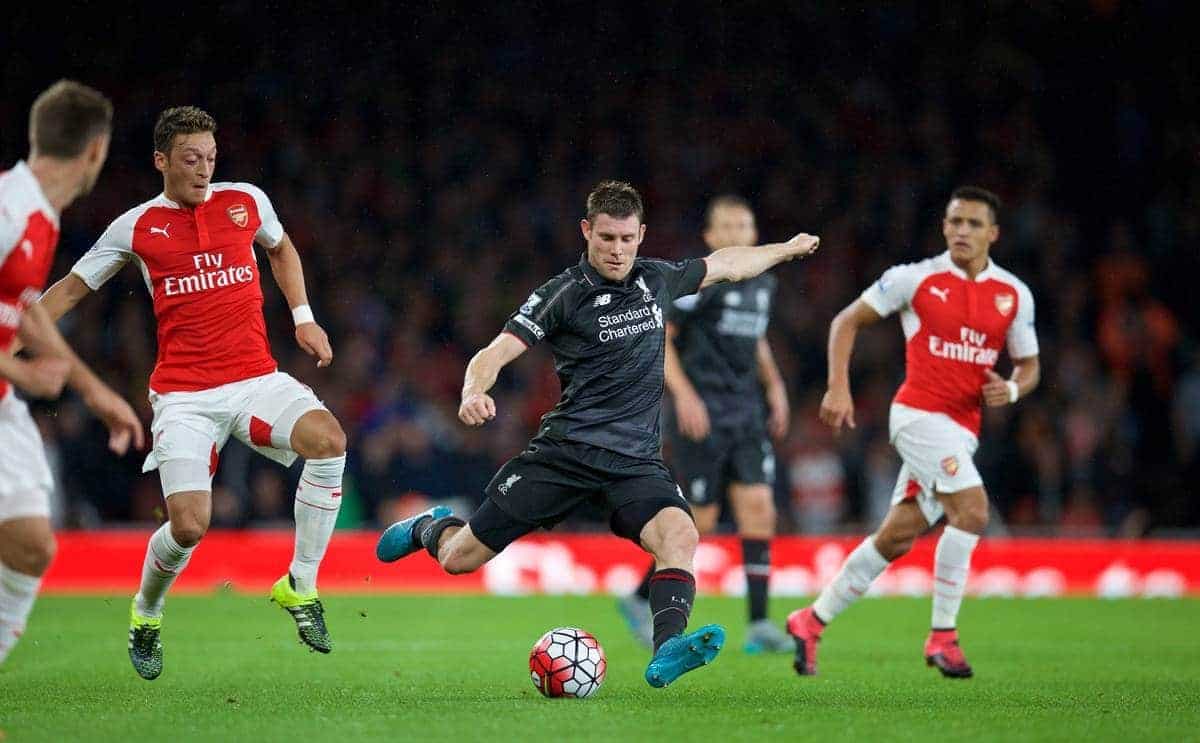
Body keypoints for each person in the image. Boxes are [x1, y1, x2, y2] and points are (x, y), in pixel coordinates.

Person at [376, 180, 819, 688]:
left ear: (641, 235)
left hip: (634, 463)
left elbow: (728, 264)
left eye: (627, 239)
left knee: (680, 534)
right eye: (607, 238)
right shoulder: (562, 293)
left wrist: (785, 249)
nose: (617, 250)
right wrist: (472, 392)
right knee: (459, 560)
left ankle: (668, 646)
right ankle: (428, 528)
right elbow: (493, 353)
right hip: (565, 455)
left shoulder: (659, 278)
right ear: (587, 231)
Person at [36, 106, 347, 680]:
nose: (204, 170)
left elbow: (280, 249)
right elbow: (73, 288)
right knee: (189, 526)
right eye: (189, 159)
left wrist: (303, 317)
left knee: (328, 440)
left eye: (210, 157)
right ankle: (147, 612)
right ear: (161, 161)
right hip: (184, 398)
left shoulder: (246, 201)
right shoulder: (135, 227)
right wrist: (15, 330)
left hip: (256, 379)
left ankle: (300, 584)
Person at [788, 186, 1040, 679]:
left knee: (897, 536)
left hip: (963, 431)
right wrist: (838, 387)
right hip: (918, 417)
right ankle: (943, 636)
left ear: (993, 233)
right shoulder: (915, 279)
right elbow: (845, 321)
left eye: (973, 223)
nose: (962, 231)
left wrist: (1010, 391)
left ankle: (810, 621)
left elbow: (1030, 366)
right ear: (944, 227)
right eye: (954, 221)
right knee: (971, 509)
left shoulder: (1013, 294)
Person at [0, 80, 145, 666]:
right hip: (10, 386)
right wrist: (24, 375)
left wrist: (94, 392)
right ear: (95, 150)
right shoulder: (9, 209)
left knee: (31, 545)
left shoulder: (42, 216)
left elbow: (27, 311)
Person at [619, 195, 792, 653]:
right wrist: (685, 395)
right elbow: (663, 339)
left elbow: (754, 342)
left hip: (746, 413)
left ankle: (759, 625)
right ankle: (638, 598)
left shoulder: (763, 285)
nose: (736, 235)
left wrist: (774, 386)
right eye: (727, 228)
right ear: (711, 238)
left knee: (759, 509)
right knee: (705, 519)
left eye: (744, 227)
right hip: (704, 414)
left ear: (754, 235)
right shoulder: (702, 284)